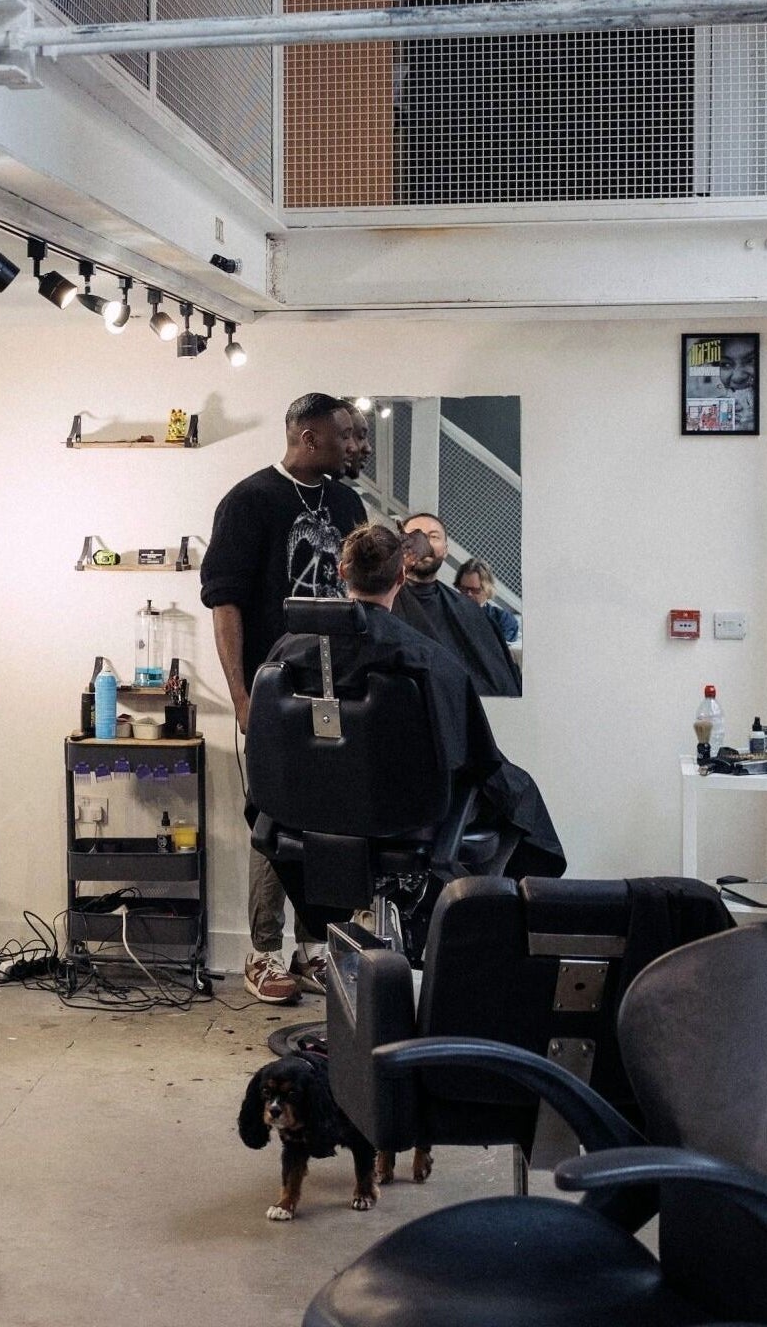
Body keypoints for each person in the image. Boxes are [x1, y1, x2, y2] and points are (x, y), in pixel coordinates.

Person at [256, 523, 565, 948]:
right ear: (401, 577)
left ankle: (369, 918)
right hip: (401, 816)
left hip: (309, 812)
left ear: (342, 572)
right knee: (516, 795)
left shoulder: (288, 651)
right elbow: (474, 756)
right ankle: (463, 931)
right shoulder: (426, 660)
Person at [200, 392, 368, 1005]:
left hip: (340, 691)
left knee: (327, 822)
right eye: (345, 435)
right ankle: (263, 952)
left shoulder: (347, 503)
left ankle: (315, 949)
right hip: (276, 692)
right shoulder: (249, 502)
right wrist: (243, 697)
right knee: (273, 821)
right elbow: (226, 606)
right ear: (308, 438)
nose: (357, 446)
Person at [394, 514, 521, 696]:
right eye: (414, 535)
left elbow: (499, 681)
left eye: (433, 536)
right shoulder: (382, 603)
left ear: (445, 550)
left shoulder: (470, 611)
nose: (423, 542)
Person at [455, 558, 520, 644]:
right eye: (463, 589)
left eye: (475, 590)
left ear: (487, 590)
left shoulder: (502, 620)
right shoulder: (448, 614)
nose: (468, 594)